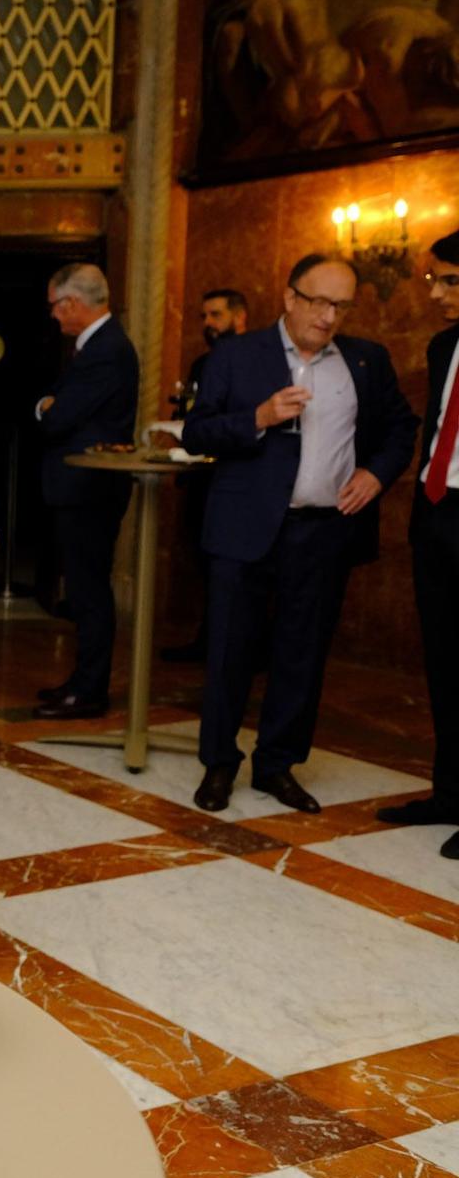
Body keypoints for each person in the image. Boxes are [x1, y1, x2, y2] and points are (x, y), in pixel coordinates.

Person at [182, 254, 418, 815]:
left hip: (323, 532)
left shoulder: (366, 361)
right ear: (289, 298)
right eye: (318, 302)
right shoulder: (238, 355)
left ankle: (277, 765)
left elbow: (401, 427)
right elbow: (196, 432)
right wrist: (257, 417)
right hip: (245, 529)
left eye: (341, 305)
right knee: (229, 653)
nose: (329, 315)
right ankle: (218, 764)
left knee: (302, 654)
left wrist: (376, 473)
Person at [32, 263, 139, 720]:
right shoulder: (93, 345)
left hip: (90, 489)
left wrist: (48, 408)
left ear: (72, 303)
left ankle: (90, 691)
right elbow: (53, 405)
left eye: (55, 306)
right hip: (80, 487)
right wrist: (48, 405)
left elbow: (57, 416)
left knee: (90, 591)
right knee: (83, 589)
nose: (54, 316)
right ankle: (81, 682)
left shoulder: (107, 349)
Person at [381, 235, 459, 856]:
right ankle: (450, 794)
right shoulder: (442, 347)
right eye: (435, 279)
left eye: (449, 281)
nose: (435, 292)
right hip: (437, 516)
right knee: (444, 661)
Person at [165, 288, 252, 663]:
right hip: (202, 477)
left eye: (215, 315)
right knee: (205, 562)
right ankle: (209, 641)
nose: (208, 324)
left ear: (239, 316)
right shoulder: (203, 363)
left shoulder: (255, 360)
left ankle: (239, 648)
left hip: (237, 479)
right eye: (204, 317)